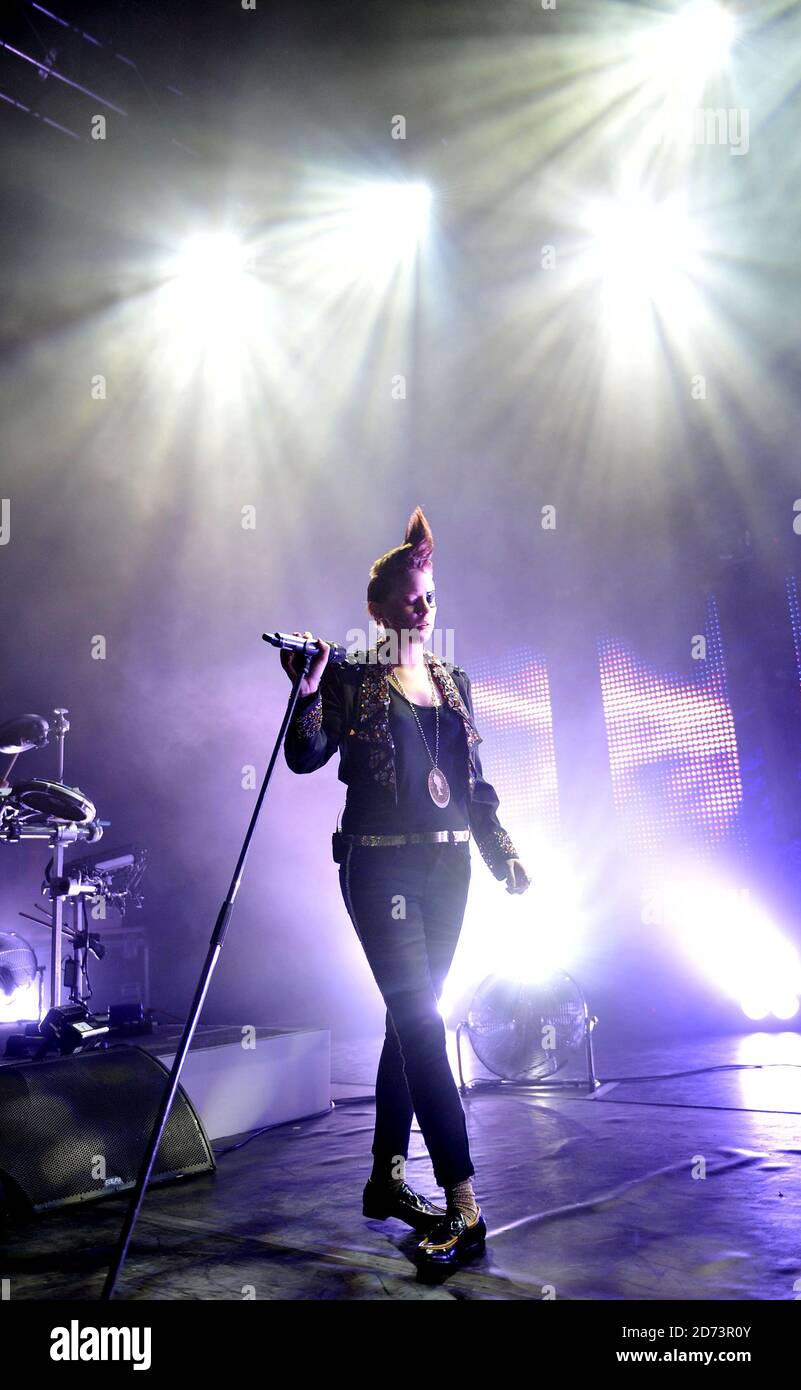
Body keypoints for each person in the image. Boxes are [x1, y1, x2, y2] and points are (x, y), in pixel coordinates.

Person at [281, 506, 531, 1276]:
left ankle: (386, 1180)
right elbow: (303, 755)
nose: (424, 607)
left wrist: (500, 854)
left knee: (404, 1022)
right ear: (379, 607)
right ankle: (465, 1207)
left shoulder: (454, 682)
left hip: (448, 869)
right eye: (410, 596)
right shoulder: (355, 676)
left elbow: (472, 786)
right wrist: (309, 688)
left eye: (430, 594)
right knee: (423, 1023)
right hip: (380, 866)